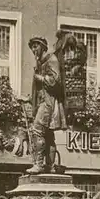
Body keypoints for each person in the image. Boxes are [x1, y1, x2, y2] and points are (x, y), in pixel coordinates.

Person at [26, 36, 67, 174]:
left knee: (37, 130)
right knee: (48, 135)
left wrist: (41, 78)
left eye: (36, 46)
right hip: (42, 102)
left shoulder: (51, 59)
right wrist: (29, 99)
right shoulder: (40, 63)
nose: (33, 49)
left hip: (49, 102)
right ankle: (50, 166)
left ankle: (39, 165)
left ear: (43, 46)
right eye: (32, 47)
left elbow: (56, 81)